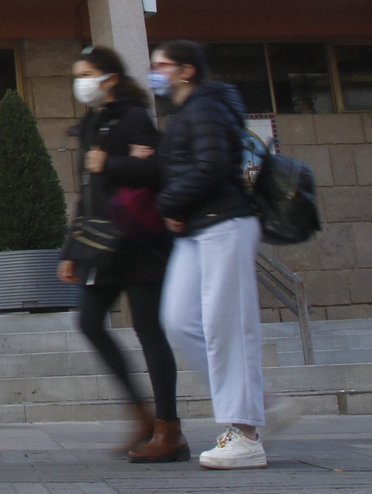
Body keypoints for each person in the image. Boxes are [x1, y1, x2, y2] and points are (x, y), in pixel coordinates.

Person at [57, 47, 187, 464]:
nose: (82, 82)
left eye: (88, 74)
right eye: (78, 75)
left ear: (109, 78)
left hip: (140, 243)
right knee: (89, 322)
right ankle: (142, 413)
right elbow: (88, 192)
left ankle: (169, 429)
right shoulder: (93, 122)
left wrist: (109, 163)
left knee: (149, 331)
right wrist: (71, 249)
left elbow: (158, 169)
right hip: (103, 246)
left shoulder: (133, 116)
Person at [149, 40, 267, 470]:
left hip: (225, 224)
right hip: (196, 229)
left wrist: (169, 203)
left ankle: (246, 433)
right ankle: (251, 400)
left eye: (161, 65)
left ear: (186, 70)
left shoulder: (206, 107)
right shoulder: (184, 113)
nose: (155, 72)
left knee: (227, 326)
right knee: (179, 321)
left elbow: (212, 166)